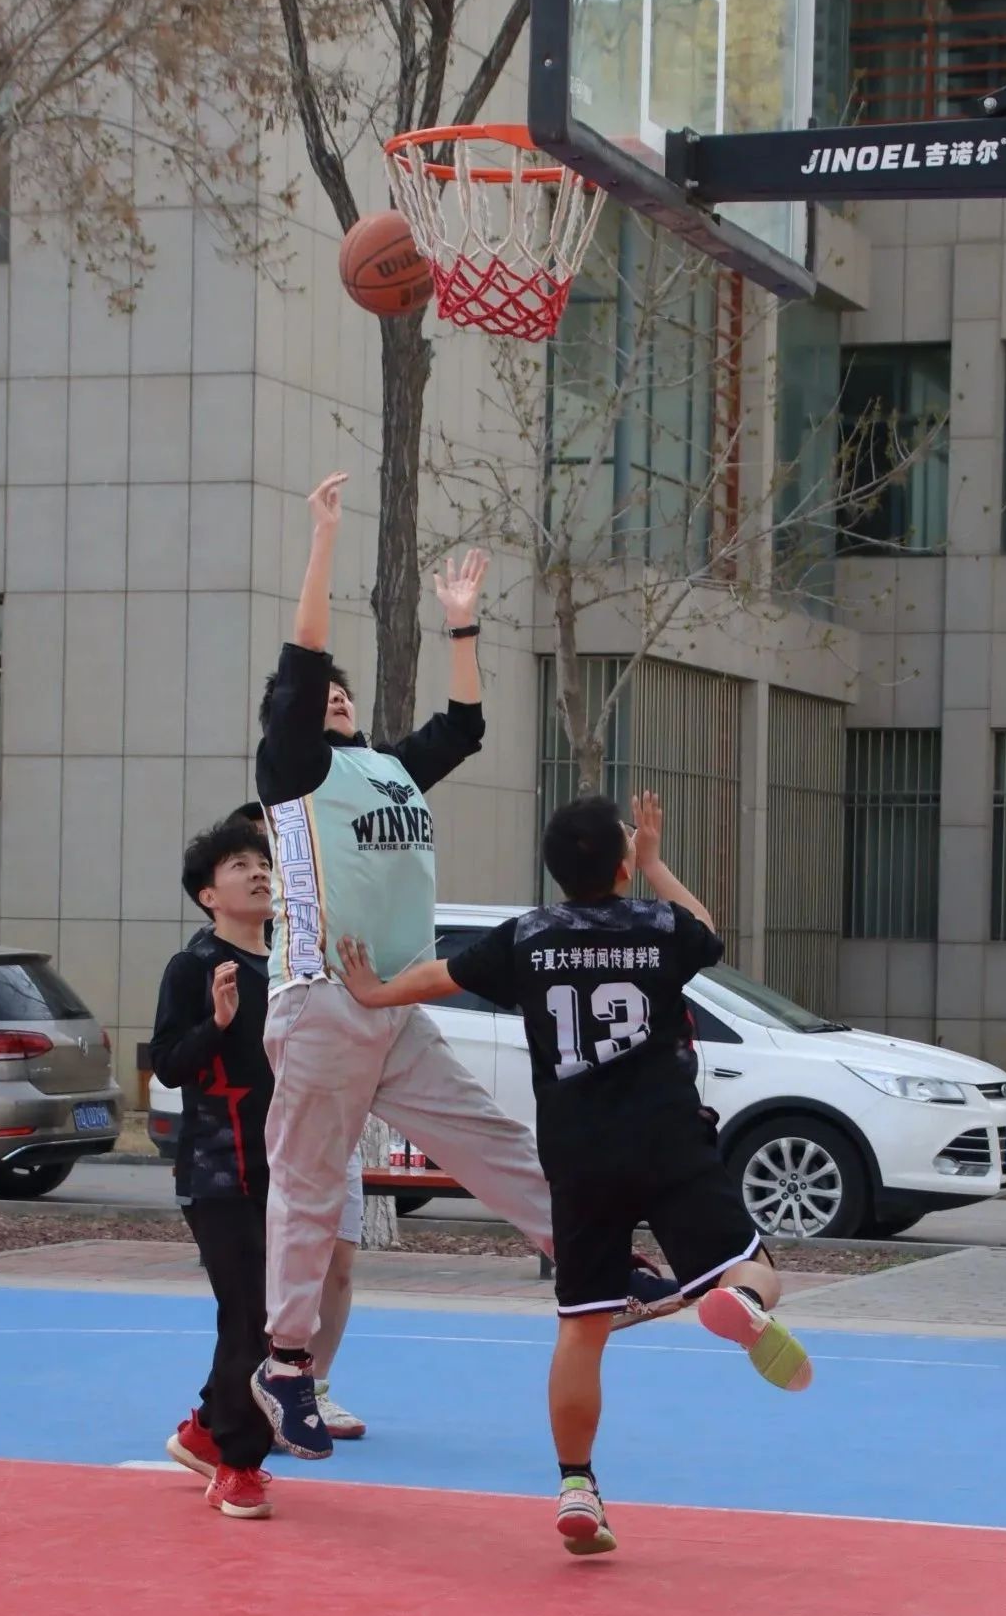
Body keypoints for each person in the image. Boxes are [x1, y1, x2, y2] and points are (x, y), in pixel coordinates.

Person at [338, 791, 813, 1556]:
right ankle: (741, 1301)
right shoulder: (659, 928)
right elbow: (707, 930)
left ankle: (576, 1485)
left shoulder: (527, 937)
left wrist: (374, 992)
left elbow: (439, 978)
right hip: (666, 1135)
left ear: (554, 870)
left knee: (583, 1327)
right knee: (751, 1266)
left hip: (580, 1155)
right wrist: (657, 864)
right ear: (623, 865)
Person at [249, 469, 564, 1459]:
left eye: (346, 691)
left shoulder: (388, 767)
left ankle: (585, 1253)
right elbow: (306, 652)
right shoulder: (295, 770)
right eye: (324, 692)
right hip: (320, 1002)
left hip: (392, 1006)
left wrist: (462, 624)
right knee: (309, 1190)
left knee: (488, 1134)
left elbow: (464, 726)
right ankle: (285, 1364)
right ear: (297, 714)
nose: (337, 695)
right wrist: (324, 540)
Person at [223, 802, 365, 1442]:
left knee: (338, 1263)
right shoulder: (221, 961)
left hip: (333, 1118)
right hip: (263, 1137)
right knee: (267, 1273)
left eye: (270, 856)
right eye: (250, 858)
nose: (265, 868)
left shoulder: (326, 934)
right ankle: (247, 1396)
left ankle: (314, 1387)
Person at [151, 816, 278, 1519]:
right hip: (219, 1171)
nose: (258, 873)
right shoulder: (194, 967)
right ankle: (238, 1463)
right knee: (250, 1313)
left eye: (263, 862)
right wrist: (219, 1022)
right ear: (208, 895)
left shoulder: (288, 961)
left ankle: (205, 1427)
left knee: (277, 1316)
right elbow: (170, 1064)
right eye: (239, 865)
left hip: (287, 1168)